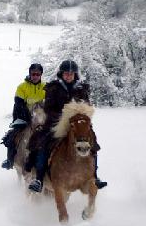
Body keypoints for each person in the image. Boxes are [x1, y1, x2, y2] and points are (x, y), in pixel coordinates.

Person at [27, 60, 107, 193]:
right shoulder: (53, 88)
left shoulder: (82, 88)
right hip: (56, 123)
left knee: (92, 144)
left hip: (77, 124)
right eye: (66, 74)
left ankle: (94, 176)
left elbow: (86, 106)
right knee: (43, 144)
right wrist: (63, 116)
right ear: (61, 74)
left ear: (75, 75)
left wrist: (80, 117)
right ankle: (39, 179)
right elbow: (49, 108)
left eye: (71, 74)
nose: (69, 76)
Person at [1, 63, 45, 169]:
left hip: (41, 118)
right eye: (33, 74)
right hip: (24, 117)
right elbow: (18, 104)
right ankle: (10, 160)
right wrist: (27, 118)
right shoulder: (22, 87)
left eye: (37, 74)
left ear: (41, 75)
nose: (35, 76)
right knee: (12, 136)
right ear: (29, 74)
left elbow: (49, 103)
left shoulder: (45, 87)